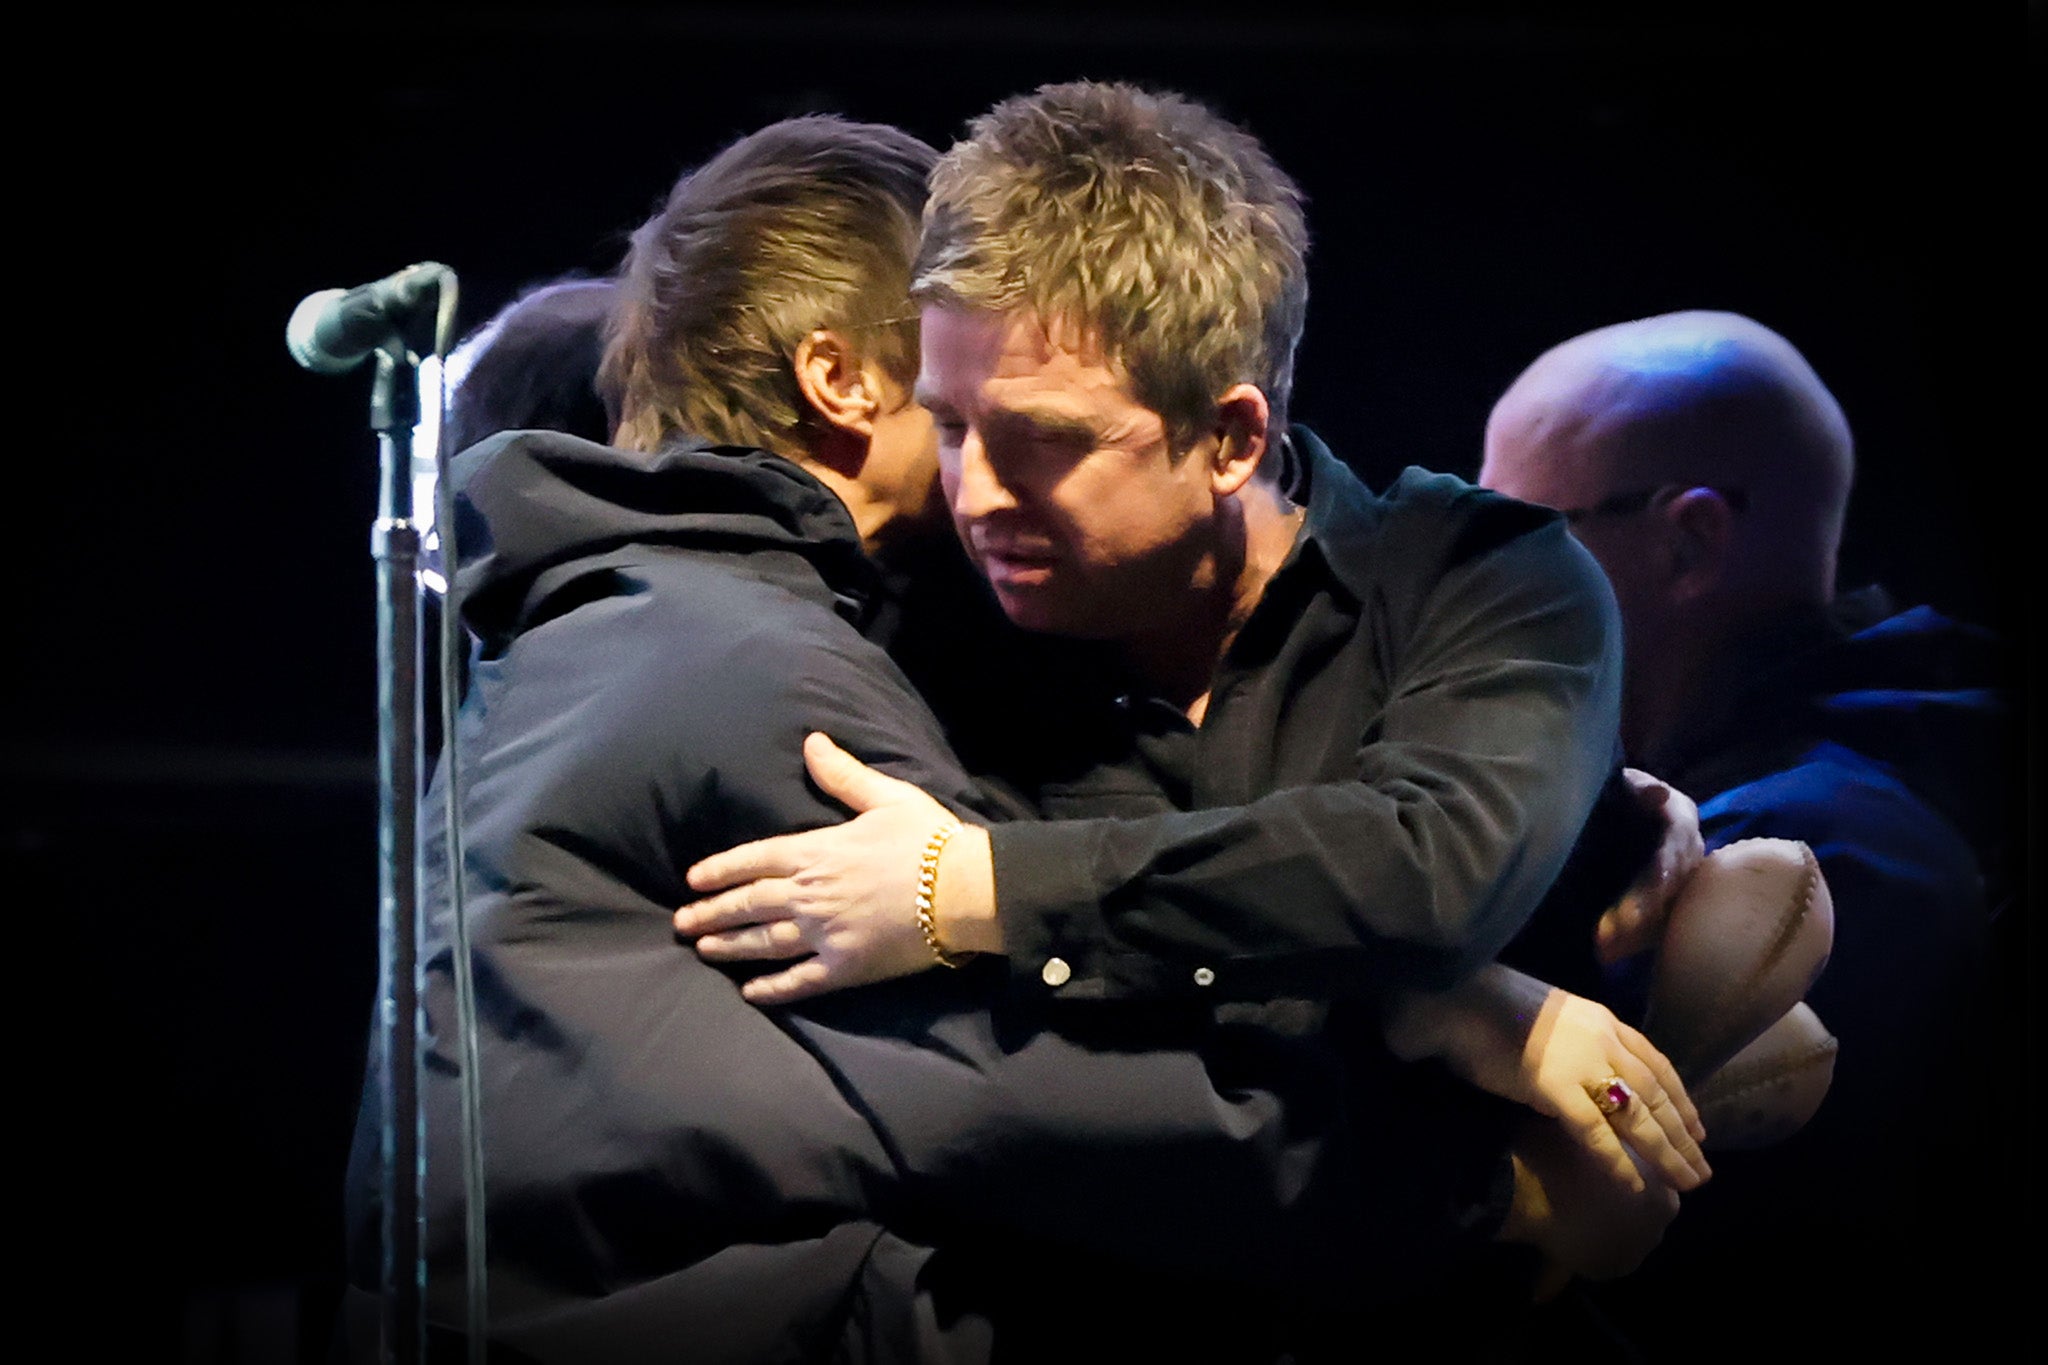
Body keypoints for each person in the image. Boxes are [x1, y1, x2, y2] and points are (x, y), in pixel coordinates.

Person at [338, 113, 1692, 1365]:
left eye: (1036, 439)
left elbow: (1432, 869)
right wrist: (1484, 1180)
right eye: (950, 422)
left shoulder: (1470, 575)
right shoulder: (890, 633)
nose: (978, 492)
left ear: (1229, 437)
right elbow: (1036, 1089)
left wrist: (975, 889)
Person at [1476, 309, 2008, 1354]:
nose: (1473, 600)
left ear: (1687, 541)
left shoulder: (1798, 855)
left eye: (1513, 540)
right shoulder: (1852, 795)